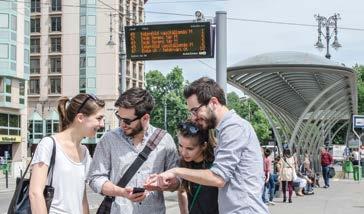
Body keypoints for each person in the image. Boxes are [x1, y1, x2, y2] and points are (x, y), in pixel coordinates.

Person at [146, 77, 269, 213]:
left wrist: (175, 171)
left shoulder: (234, 127)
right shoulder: (225, 130)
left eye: (195, 110)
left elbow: (219, 178)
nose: (193, 117)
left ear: (213, 102)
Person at [87, 88, 179, 214]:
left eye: (127, 121)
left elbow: (178, 180)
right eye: (119, 117)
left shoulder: (165, 140)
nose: (121, 124)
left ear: (145, 118)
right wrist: (121, 192)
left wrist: (165, 183)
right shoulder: (109, 139)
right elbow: (95, 178)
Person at [29, 93, 105, 213]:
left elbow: (82, 197)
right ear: (80, 118)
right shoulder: (49, 145)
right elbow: (35, 193)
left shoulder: (85, 152)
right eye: (99, 118)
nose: (102, 124)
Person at [176, 121, 218, 214]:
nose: (183, 153)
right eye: (180, 146)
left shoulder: (217, 164)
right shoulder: (183, 162)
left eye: (189, 148)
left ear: (204, 145)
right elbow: (182, 190)